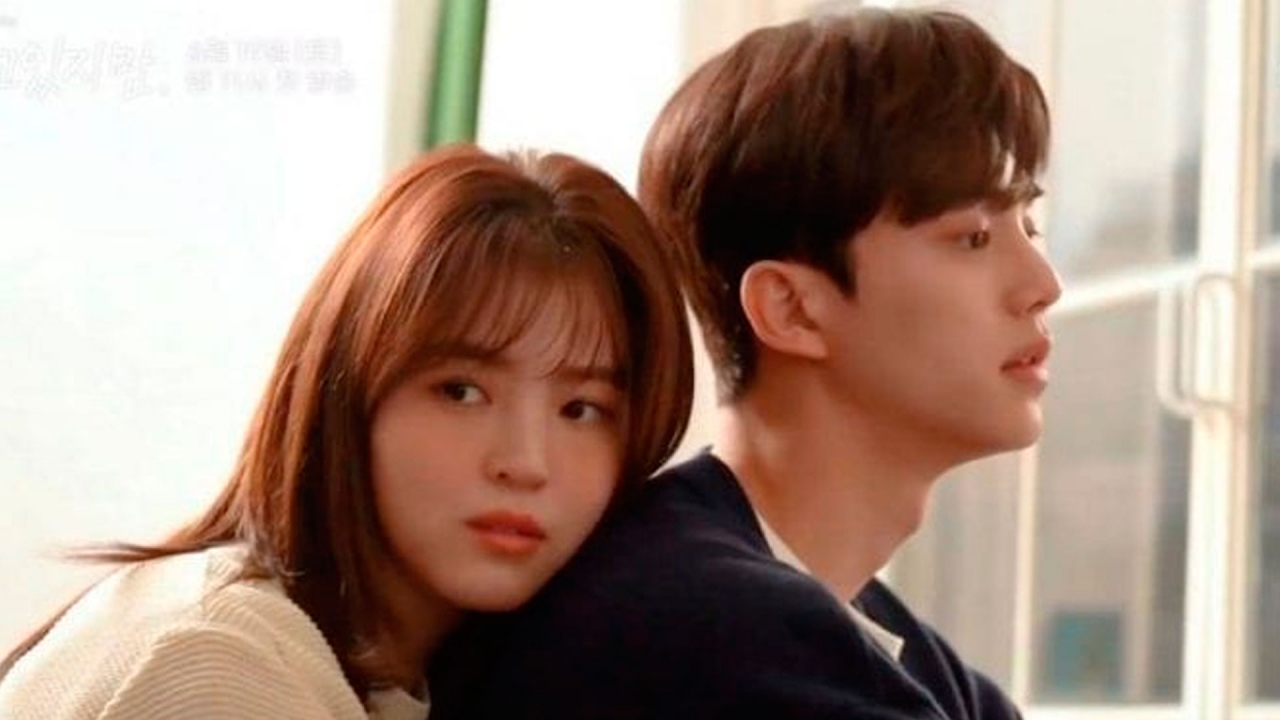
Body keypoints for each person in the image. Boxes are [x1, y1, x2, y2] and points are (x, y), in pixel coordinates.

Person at [428, 8, 1061, 719]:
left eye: (1029, 226)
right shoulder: (698, 626)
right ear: (791, 309)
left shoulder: (893, 648)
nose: (1043, 284)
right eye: (973, 237)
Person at [0, 145, 693, 719]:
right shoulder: (221, 663)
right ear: (348, 390)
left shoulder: (380, 671)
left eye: (582, 409)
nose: (525, 462)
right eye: (461, 391)